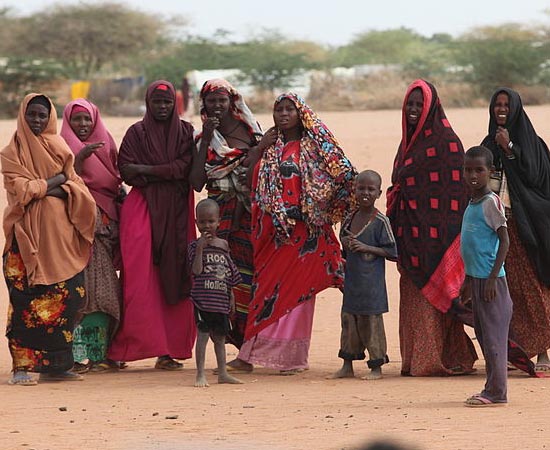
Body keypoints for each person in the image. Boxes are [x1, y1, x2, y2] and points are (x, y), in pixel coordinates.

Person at [235, 92, 356, 374]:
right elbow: (248, 175)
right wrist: (261, 146)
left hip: (305, 234)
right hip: (274, 234)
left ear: (301, 113)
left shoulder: (314, 146)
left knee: (298, 293)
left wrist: (317, 208)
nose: (284, 114)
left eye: (289, 109)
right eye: (279, 110)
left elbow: (342, 175)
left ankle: (291, 359)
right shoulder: (270, 146)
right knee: (264, 291)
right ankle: (248, 355)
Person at [1, 93, 96, 385]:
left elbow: (80, 191)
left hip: (61, 242)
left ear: (50, 117)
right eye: (32, 115)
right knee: (26, 304)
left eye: (43, 115)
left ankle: (57, 366)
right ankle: (22, 367)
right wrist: (58, 181)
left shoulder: (60, 148)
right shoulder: (11, 153)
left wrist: (53, 185)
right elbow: (23, 192)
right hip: (25, 241)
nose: (38, 121)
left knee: (70, 297)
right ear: (23, 116)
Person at [386, 79, 477, 376]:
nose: (413, 110)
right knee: (414, 299)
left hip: (440, 238)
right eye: (409, 104)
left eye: (419, 104)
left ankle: (443, 359)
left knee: (438, 300)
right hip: (409, 237)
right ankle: (416, 361)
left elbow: (456, 193)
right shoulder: (406, 144)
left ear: (431, 107)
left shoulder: (447, 143)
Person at [108, 80, 199, 370]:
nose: (162, 107)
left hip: (177, 215)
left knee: (177, 277)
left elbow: (184, 169)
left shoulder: (185, 133)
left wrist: (148, 170)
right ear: (149, 103)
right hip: (143, 211)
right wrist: (166, 173)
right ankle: (126, 347)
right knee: (139, 280)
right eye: (157, 102)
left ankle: (169, 350)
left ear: (175, 103)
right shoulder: (136, 132)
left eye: (167, 102)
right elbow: (126, 171)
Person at [192, 79, 272, 372]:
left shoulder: (252, 133)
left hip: (249, 219)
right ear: (204, 104)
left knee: (246, 282)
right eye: (211, 101)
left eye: (222, 100)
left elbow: (263, 168)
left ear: (232, 102)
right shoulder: (202, 138)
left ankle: (247, 352)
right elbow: (197, 182)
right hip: (217, 219)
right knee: (219, 284)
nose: (217, 106)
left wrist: (257, 151)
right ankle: (231, 351)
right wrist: (208, 137)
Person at [480, 87, 550, 372]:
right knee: (503, 292)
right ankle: (514, 353)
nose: (501, 109)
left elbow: (537, 179)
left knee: (533, 288)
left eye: (507, 105)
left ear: (517, 108)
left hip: (526, 227)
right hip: (497, 228)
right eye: (497, 104)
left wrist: (510, 149)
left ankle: (543, 351)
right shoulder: (487, 144)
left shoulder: (534, 144)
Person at [60, 98, 123, 373]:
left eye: (87, 119)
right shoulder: (60, 146)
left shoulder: (106, 141)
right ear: (67, 121)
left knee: (107, 295)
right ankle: (75, 355)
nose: (83, 125)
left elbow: (115, 179)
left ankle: (102, 352)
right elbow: (59, 181)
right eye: (77, 119)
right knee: (79, 296)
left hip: (107, 230)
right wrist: (79, 160)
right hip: (75, 234)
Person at [332, 170, 397, 381]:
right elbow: (343, 244)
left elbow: (392, 252)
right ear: (354, 190)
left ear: (378, 193)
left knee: (372, 324)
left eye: (370, 189)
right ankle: (347, 365)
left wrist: (366, 247)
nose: (365, 193)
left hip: (372, 286)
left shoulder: (380, 221)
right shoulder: (349, 218)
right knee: (349, 323)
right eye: (361, 188)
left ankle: (376, 366)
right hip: (352, 283)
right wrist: (347, 244)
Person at [461, 146, 512, 407]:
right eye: (468, 169)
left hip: (492, 284)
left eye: (479, 170)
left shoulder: (491, 202)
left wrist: (492, 278)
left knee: (493, 340)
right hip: (478, 280)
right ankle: (492, 388)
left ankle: (497, 393)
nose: (473, 175)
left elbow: (504, 241)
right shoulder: (472, 202)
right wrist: (468, 282)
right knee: (484, 335)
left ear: (489, 172)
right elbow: (473, 246)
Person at [189, 199, 243, 387]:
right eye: (202, 222)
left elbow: (230, 270)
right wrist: (200, 248)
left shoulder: (224, 245)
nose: (207, 226)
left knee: (220, 338)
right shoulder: (195, 246)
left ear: (218, 222)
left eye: (211, 221)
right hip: (203, 300)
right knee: (203, 337)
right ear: (196, 223)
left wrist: (232, 295)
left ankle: (223, 373)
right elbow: (195, 271)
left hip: (220, 299)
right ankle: (200, 374)